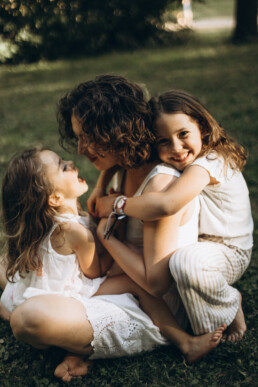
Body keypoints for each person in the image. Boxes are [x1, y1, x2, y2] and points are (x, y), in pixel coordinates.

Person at [0, 147, 226, 382]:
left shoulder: (49, 224)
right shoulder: (74, 232)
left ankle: (74, 353)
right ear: (55, 198)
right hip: (73, 292)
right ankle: (185, 341)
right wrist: (111, 231)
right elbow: (96, 270)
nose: (72, 163)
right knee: (135, 284)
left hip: (50, 291)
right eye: (63, 166)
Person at [95, 89, 253, 342]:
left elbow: (165, 205)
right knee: (183, 262)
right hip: (205, 244)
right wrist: (100, 184)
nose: (176, 148)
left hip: (230, 249)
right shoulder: (187, 159)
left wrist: (118, 205)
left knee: (184, 262)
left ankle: (226, 308)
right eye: (163, 141)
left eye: (183, 134)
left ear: (201, 126)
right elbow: (120, 159)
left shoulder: (210, 161)